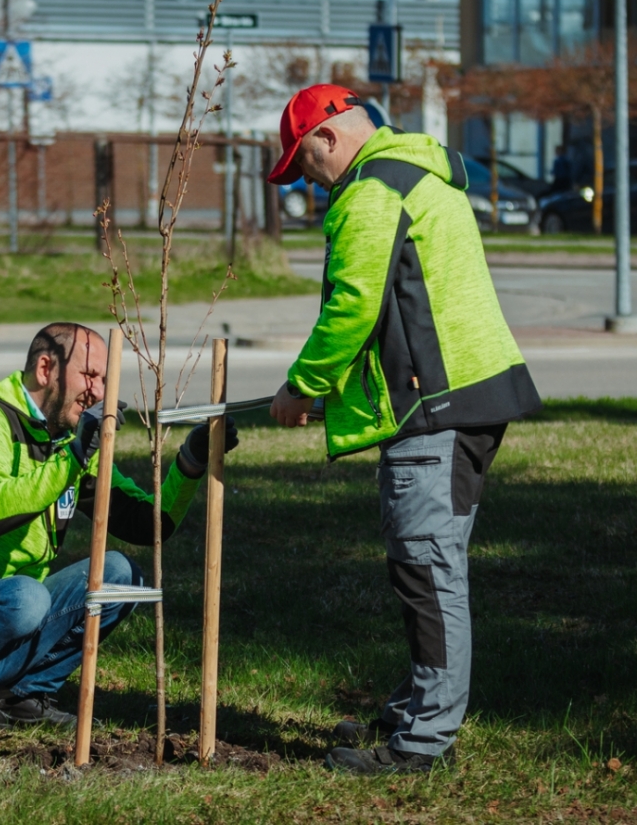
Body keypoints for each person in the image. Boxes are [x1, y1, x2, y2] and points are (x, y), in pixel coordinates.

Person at [264, 85, 541, 774]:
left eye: (302, 162)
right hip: (470, 394)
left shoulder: (370, 191)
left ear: (327, 137)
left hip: (436, 406)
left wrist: (301, 388)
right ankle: (418, 711)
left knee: (426, 569)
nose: (304, 178)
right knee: (427, 562)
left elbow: (353, 307)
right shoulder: (421, 171)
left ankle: (422, 745)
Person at [0, 322, 238, 759]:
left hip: (5, 626)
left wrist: (191, 462)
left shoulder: (67, 443)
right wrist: (71, 458)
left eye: (104, 380)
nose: (99, 392)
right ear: (46, 368)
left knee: (121, 574)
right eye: (90, 376)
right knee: (26, 598)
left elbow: (149, 525)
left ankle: (19, 701)